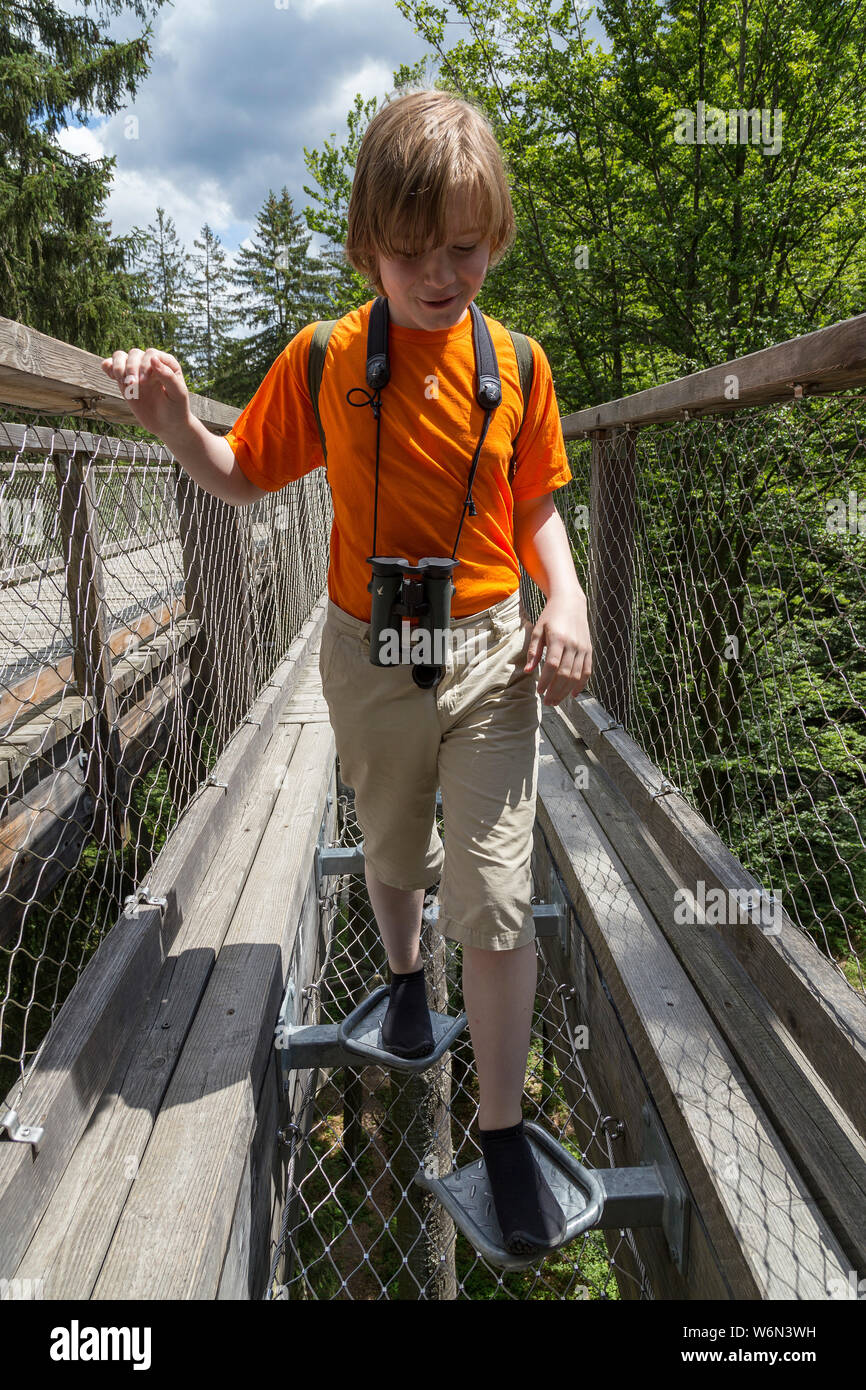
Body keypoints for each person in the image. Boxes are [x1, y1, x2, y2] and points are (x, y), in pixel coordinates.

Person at [101, 88, 592, 1257]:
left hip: (483, 650)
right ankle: (406, 977)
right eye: (411, 251)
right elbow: (239, 474)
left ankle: (503, 1131)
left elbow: (536, 506)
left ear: (496, 238)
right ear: (366, 244)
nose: (439, 274)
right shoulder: (325, 358)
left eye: (464, 248)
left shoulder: (518, 365)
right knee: (387, 847)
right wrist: (175, 422)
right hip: (367, 647)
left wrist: (563, 595)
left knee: (492, 882)